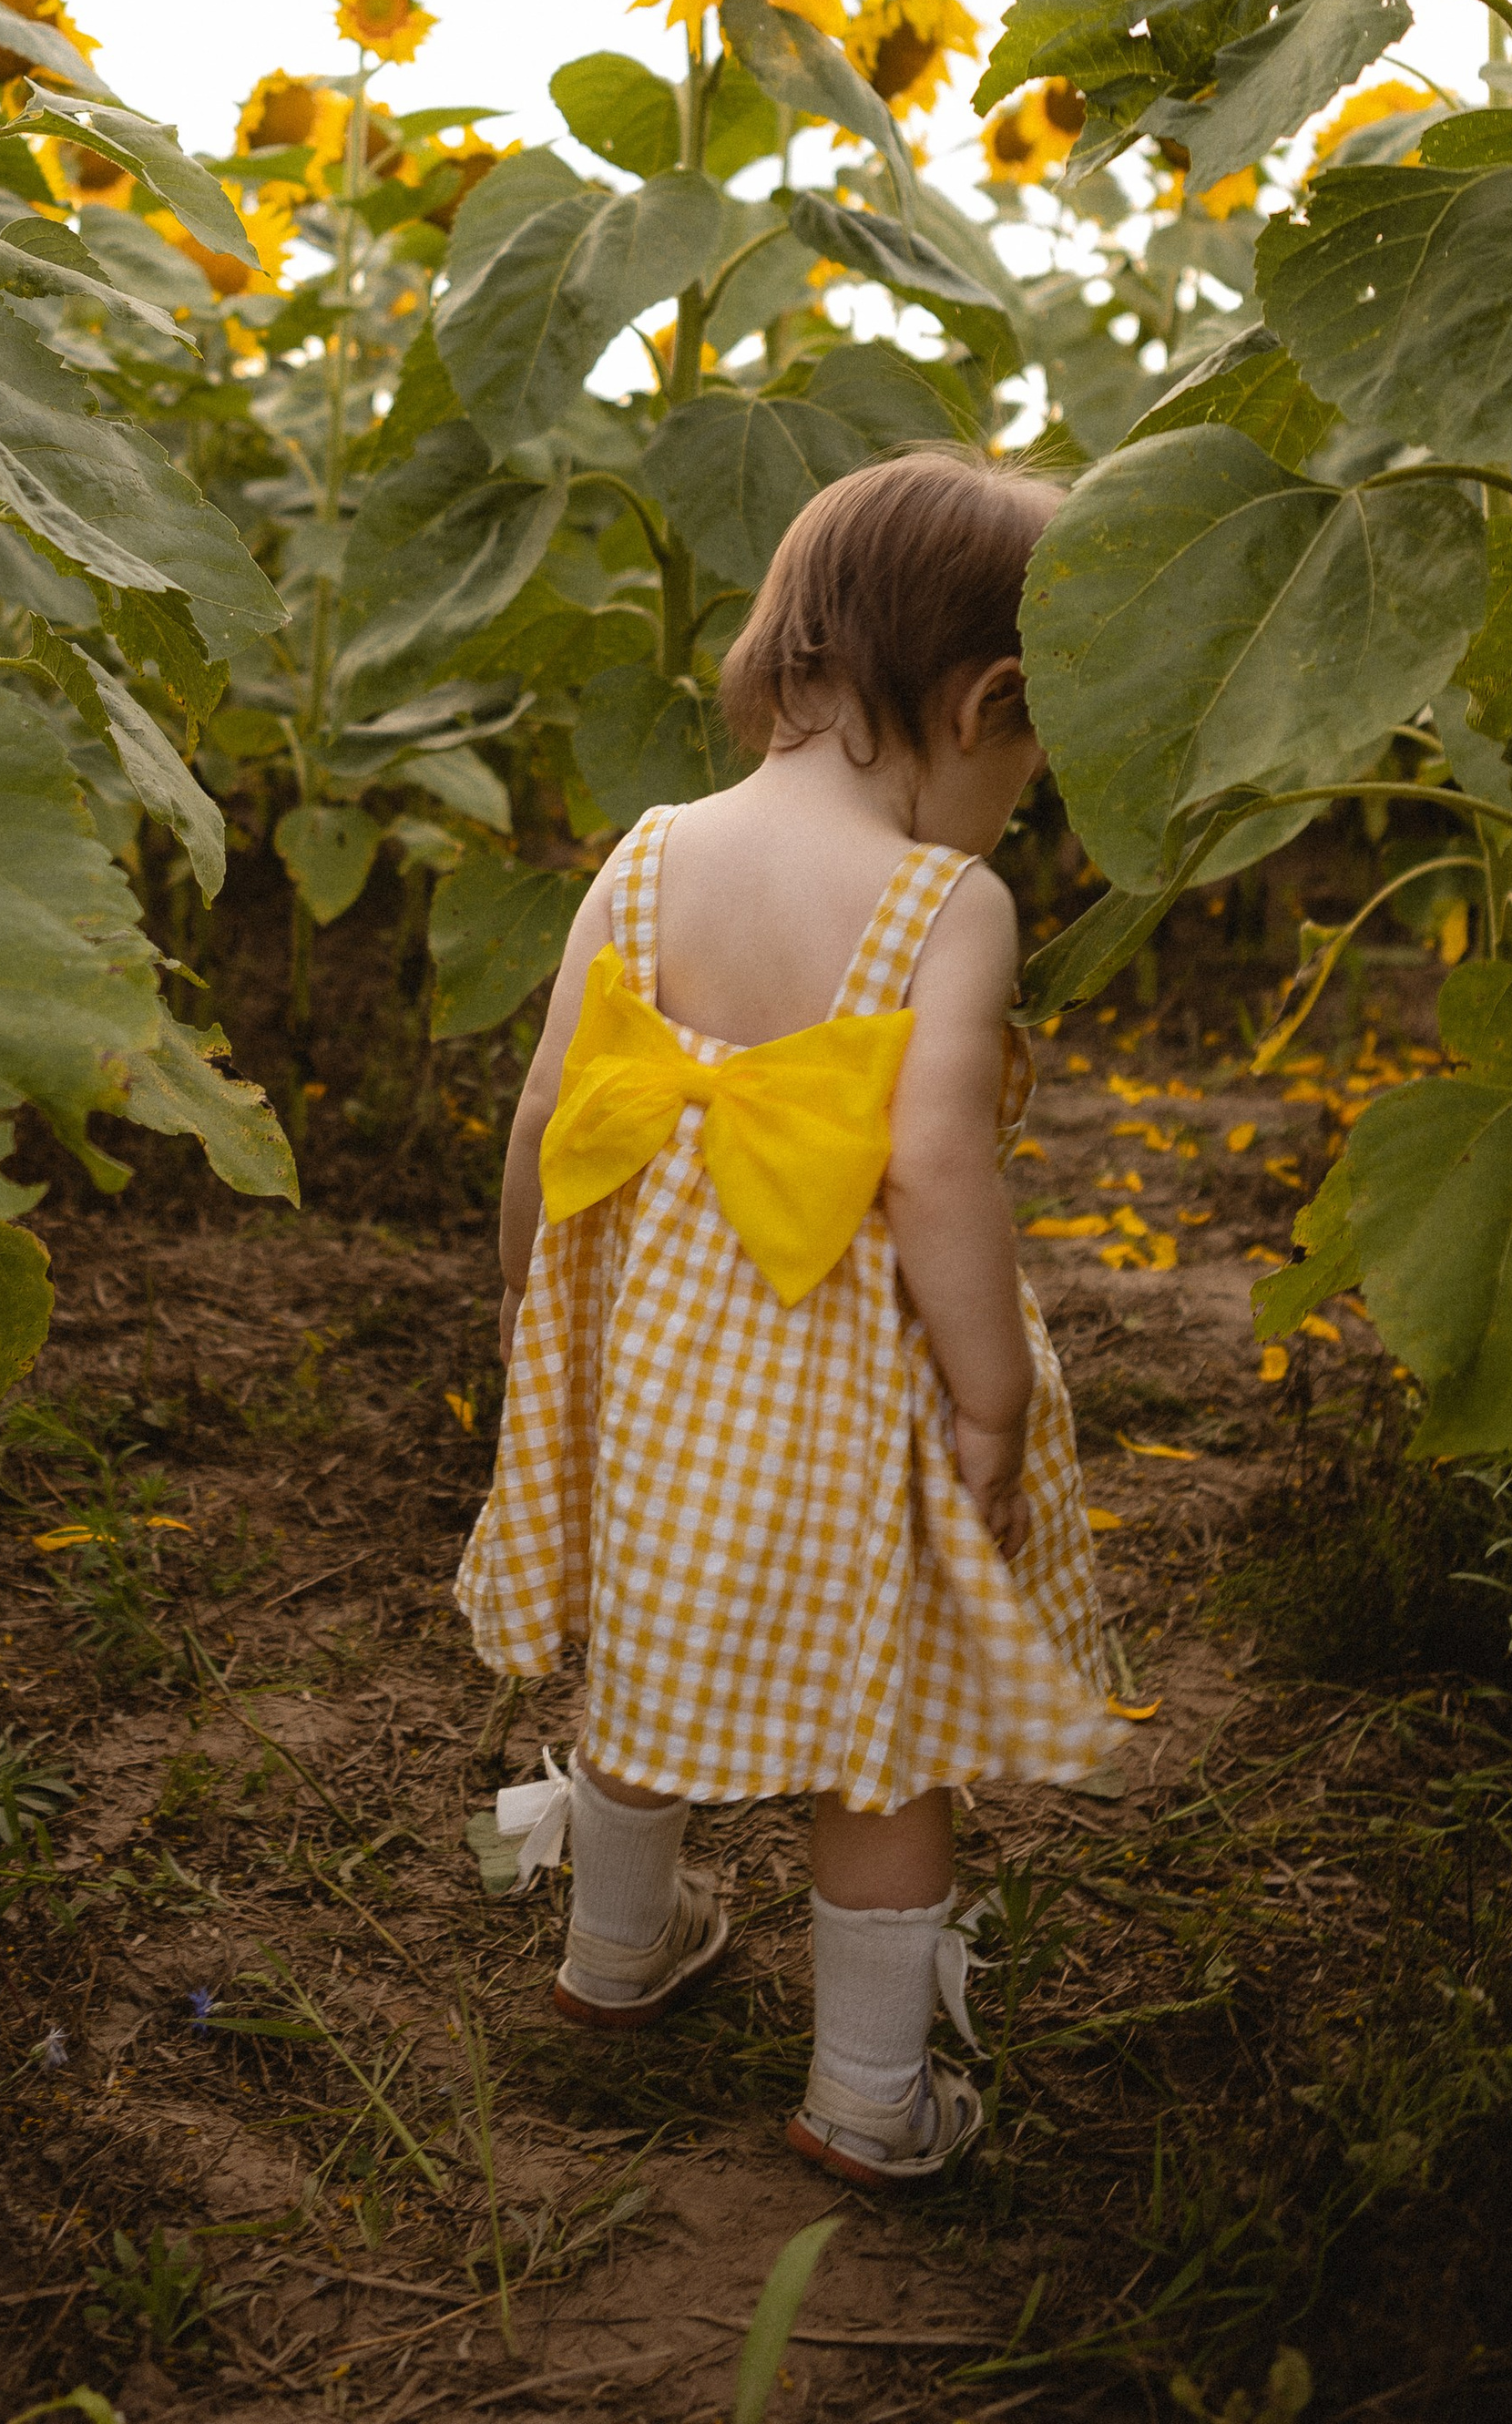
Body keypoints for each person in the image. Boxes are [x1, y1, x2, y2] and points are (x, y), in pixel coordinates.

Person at [456, 450, 1112, 2185]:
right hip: (853, 1397)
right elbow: (939, 1171)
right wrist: (986, 1395)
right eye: (1029, 764)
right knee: (878, 1745)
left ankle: (614, 1952)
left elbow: (543, 1117)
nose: (1021, 805)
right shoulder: (944, 907)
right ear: (991, 700)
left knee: (647, 1643)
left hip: (666, 1376)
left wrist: (535, 1301)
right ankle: (872, 2098)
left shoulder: (652, 857)